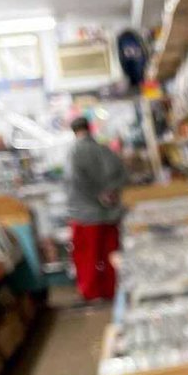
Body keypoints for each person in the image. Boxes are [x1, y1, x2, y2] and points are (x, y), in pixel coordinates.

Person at [66, 115, 126, 300]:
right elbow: (122, 174)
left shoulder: (73, 152)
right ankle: (112, 290)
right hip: (109, 214)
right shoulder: (104, 149)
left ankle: (91, 293)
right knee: (111, 256)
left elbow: (74, 182)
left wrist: (95, 196)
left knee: (87, 258)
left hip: (85, 216)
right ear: (89, 128)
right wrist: (108, 194)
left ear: (74, 131)